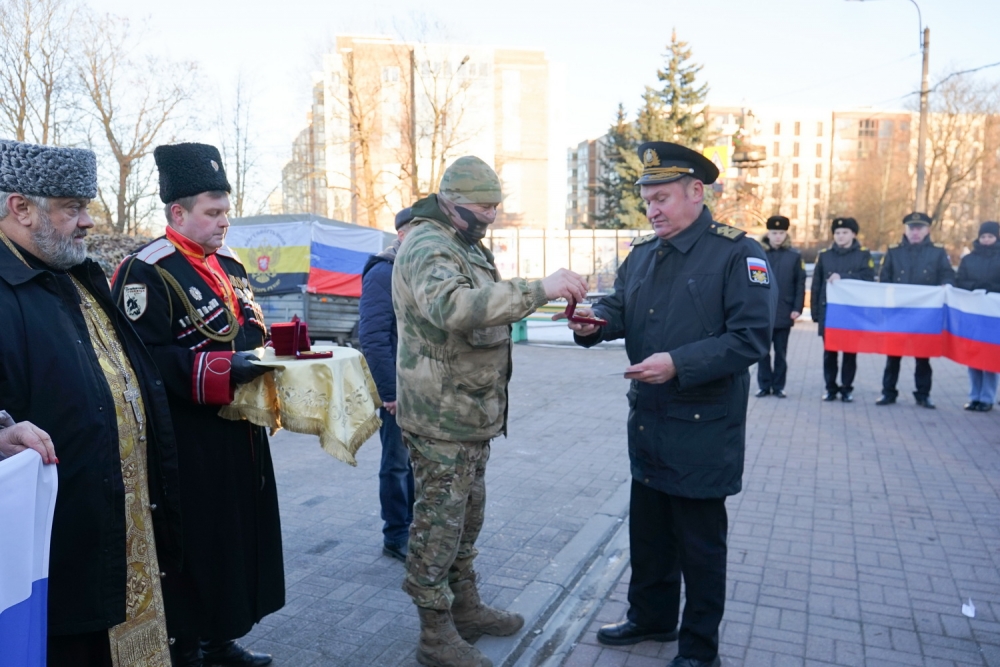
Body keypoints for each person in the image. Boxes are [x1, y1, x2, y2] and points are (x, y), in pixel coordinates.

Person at [568, 142, 776, 667]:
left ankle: (700, 649)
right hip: (650, 420)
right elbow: (618, 308)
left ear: (696, 192)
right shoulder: (642, 254)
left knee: (700, 546)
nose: (652, 210)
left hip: (704, 426)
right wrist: (592, 324)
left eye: (661, 198)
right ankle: (651, 617)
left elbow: (750, 339)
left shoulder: (738, 254)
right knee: (650, 534)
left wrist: (678, 363)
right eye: (647, 201)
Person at [392, 155, 589, 667]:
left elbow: (484, 303)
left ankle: (465, 609)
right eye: (483, 207)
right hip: (440, 416)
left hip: (469, 412)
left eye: (496, 206)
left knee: (466, 518)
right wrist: (538, 289)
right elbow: (454, 307)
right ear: (451, 204)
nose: (492, 216)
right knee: (438, 525)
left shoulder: (463, 242)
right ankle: (434, 635)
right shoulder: (428, 245)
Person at [0, 139, 181, 666]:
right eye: (72, 208)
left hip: (117, 534)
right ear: (21, 207)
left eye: (87, 207)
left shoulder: (78, 275)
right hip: (57, 558)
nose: (88, 222)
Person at [110, 143, 282, 667]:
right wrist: (222, 370)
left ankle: (220, 641)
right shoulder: (145, 270)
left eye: (226, 210)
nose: (224, 221)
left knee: (234, 540)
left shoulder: (230, 264)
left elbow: (248, 331)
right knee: (195, 546)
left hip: (239, 432)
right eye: (213, 212)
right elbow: (142, 360)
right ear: (177, 213)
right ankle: (185, 648)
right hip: (186, 440)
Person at [359, 206, 416, 562]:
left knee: (418, 464)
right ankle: (396, 535)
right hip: (399, 388)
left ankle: (417, 528)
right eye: (418, 232)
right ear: (401, 235)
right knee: (396, 463)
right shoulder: (384, 272)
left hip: (425, 386)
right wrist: (390, 393)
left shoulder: (420, 269)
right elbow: (373, 337)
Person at [875, 212, 955, 408]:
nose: (915, 232)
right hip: (898, 312)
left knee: (923, 356)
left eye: (920, 228)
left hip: (925, 314)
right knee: (893, 355)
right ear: (906, 230)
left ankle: (923, 394)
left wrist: (946, 285)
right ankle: (888, 392)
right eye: (912, 228)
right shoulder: (894, 252)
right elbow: (885, 278)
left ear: (927, 230)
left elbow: (947, 275)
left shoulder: (937, 252)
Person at [811, 217, 876, 402]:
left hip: (852, 314)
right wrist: (815, 313)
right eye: (837, 233)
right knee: (829, 354)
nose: (840, 236)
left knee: (850, 353)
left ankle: (847, 388)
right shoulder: (825, 255)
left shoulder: (863, 255)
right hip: (829, 312)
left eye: (845, 232)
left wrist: (844, 277)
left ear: (853, 234)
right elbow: (816, 285)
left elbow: (868, 278)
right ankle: (830, 388)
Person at [755, 215, 806, 398]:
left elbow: (800, 283)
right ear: (768, 233)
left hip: (784, 311)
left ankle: (778, 386)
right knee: (762, 352)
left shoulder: (794, 256)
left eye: (781, 233)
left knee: (781, 353)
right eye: (774, 232)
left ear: (786, 235)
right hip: (762, 312)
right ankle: (764, 385)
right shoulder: (758, 254)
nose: (778, 236)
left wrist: (797, 308)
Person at [955, 221, 1000, 412]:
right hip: (973, 313)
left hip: (994, 315)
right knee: (973, 355)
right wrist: (974, 287)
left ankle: (987, 397)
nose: (986, 240)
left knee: (990, 356)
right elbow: (959, 281)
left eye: (990, 236)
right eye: (983, 237)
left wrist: (992, 289)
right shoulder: (969, 259)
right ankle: (974, 396)